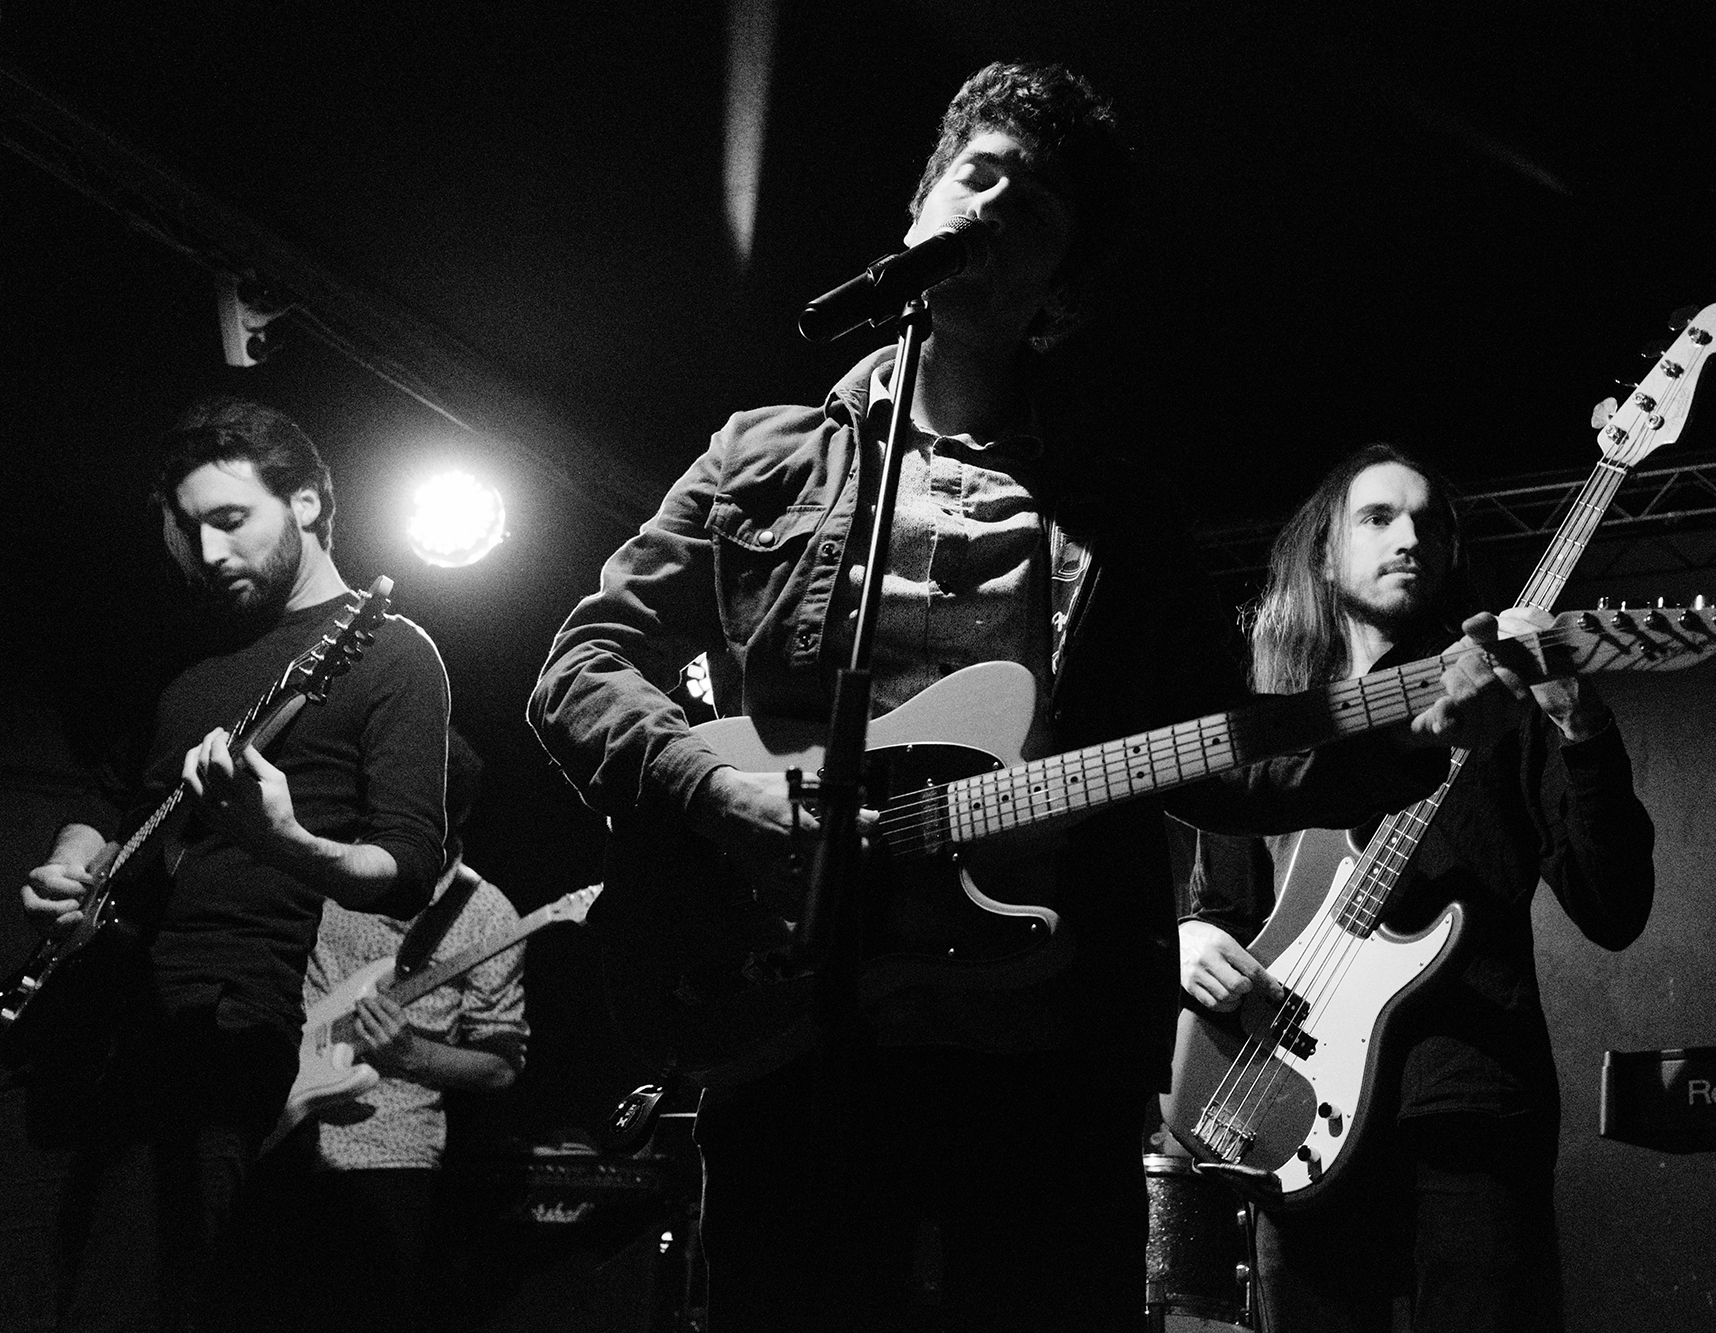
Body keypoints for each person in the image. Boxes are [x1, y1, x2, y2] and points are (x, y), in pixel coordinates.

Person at [527, 63, 1524, 1333]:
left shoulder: (1117, 508)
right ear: (920, 204)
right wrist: (707, 785)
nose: (991, 206)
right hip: (791, 1021)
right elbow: (579, 660)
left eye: (1034, 210)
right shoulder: (759, 455)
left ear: (1057, 295)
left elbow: (1226, 754)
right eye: (976, 171)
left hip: (1043, 1053)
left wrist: (1414, 737)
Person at [1177, 443, 1657, 1332]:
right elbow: (1219, 911)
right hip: (1292, 1106)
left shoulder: (1503, 706)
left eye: (1431, 521)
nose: (1412, 537)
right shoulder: (1277, 720)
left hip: (1471, 1103)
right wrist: (1192, 941)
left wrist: (1581, 724)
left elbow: (1614, 906)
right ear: (1324, 553)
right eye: (1380, 516)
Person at [14, 396, 451, 1332]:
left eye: (231, 519)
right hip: (104, 1006)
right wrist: (72, 861)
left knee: (134, 1300)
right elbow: (111, 797)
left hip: (226, 1025)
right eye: (192, 527)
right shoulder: (191, 659)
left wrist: (284, 841)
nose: (210, 554)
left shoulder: (387, 653)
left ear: (304, 504)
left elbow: (408, 863)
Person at [225, 731, 523, 1333]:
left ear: (450, 813)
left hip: (387, 1159)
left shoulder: (486, 914)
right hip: (264, 1130)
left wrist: (411, 1055)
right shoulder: (325, 863)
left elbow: (502, 1065)